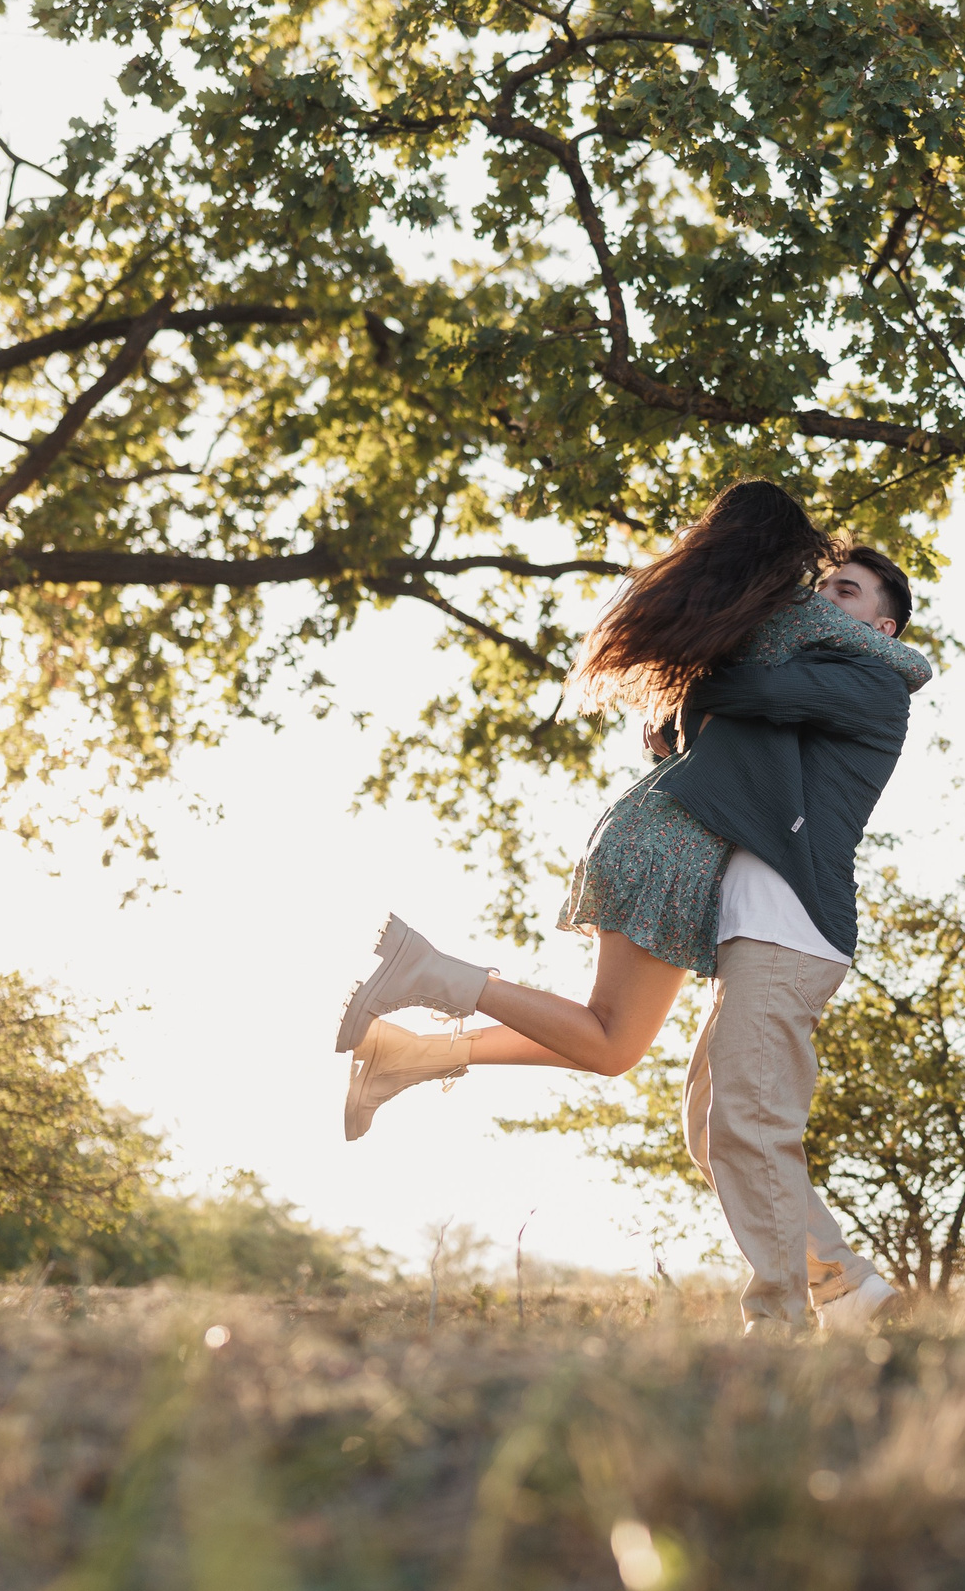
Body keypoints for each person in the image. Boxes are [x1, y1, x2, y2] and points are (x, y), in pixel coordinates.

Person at [330, 479, 929, 1333]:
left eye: (842, 590)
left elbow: (759, 697)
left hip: (794, 926)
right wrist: (682, 716)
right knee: (709, 1122)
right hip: (740, 921)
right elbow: (742, 732)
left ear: (882, 626)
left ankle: (785, 1316)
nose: (817, 598)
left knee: (733, 1112)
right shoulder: (805, 672)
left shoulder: (872, 682)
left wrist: (698, 690)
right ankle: (847, 1289)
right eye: (819, 581)